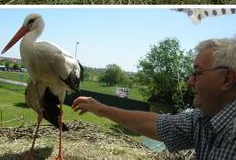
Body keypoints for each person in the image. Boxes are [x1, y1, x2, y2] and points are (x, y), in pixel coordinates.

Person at [71, 38, 236, 159]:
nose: (189, 81)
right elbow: (160, 125)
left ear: (227, 79)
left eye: (197, 73)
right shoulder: (203, 119)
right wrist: (100, 109)